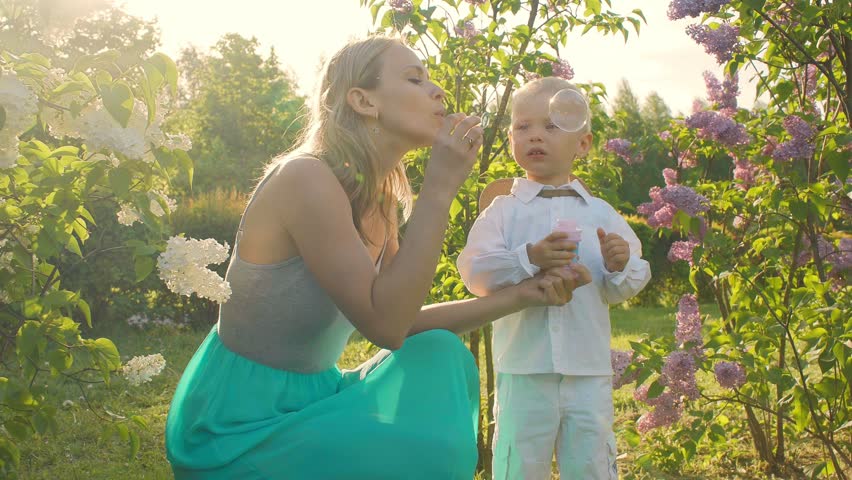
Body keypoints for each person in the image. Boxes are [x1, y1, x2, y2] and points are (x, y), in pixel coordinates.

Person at [164, 36, 590, 480]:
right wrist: (440, 187)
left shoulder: (380, 194)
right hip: (237, 423)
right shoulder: (306, 177)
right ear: (363, 101)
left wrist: (524, 294)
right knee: (428, 446)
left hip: (316, 396)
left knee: (441, 354)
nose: (437, 91)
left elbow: (401, 320)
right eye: (414, 78)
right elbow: (383, 328)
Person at [457, 77, 652, 480]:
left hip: (588, 370)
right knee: (519, 464)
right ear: (511, 137)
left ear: (582, 144)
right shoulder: (503, 212)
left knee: (592, 464)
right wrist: (529, 257)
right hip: (523, 370)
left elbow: (625, 284)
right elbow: (474, 271)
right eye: (523, 127)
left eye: (551, 126)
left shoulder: (600, 214)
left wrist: (620, 265)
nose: (535, 136)